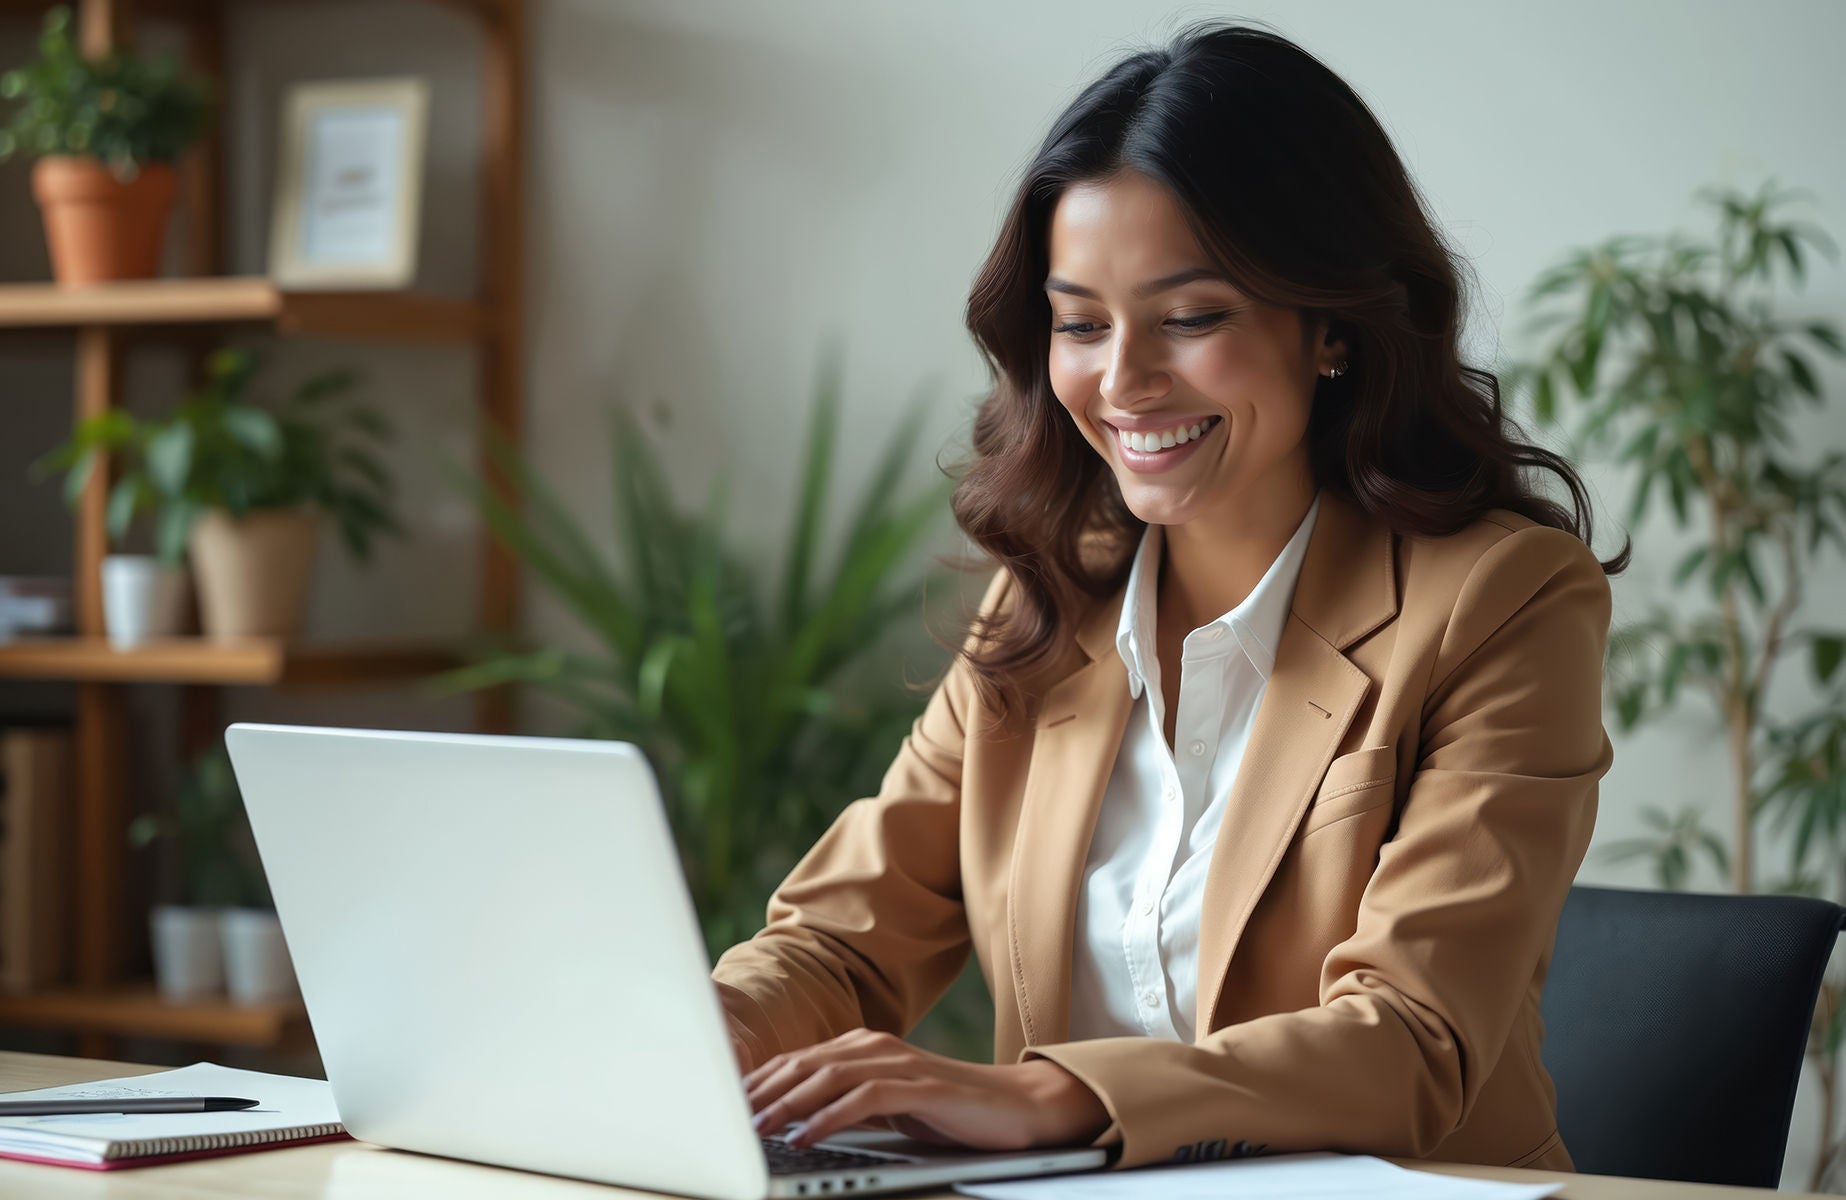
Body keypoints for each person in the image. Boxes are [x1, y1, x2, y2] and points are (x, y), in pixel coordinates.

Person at [711, 19, 1629, 1173]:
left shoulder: (1502, 600)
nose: (1124, 380)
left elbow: (1410, 1040)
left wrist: (1049, 1097)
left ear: (1332, 327)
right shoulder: (1047, 602)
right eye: (1080, 323)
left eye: (1191, 318)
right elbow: (841, 942)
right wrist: (695, 1032)